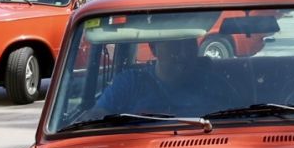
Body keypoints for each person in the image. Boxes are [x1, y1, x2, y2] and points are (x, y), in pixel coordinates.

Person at [94, 36, 229, 117]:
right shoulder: (130, 83)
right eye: (174, 44)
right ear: (153, 49)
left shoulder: (214, 85)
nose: (183, 53)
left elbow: (242, 118)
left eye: (189, 43)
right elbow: (96, 118)